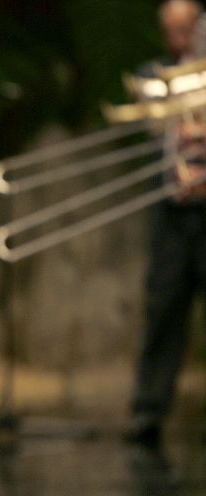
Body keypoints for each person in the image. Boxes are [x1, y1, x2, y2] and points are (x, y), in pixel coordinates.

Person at [127, 0, 206, 445]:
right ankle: (147, 413)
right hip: (174, 214)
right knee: (163, 313)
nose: (180, 40)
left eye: (187, 29)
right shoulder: (155, 76)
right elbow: (149, 115)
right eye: (172, 31)